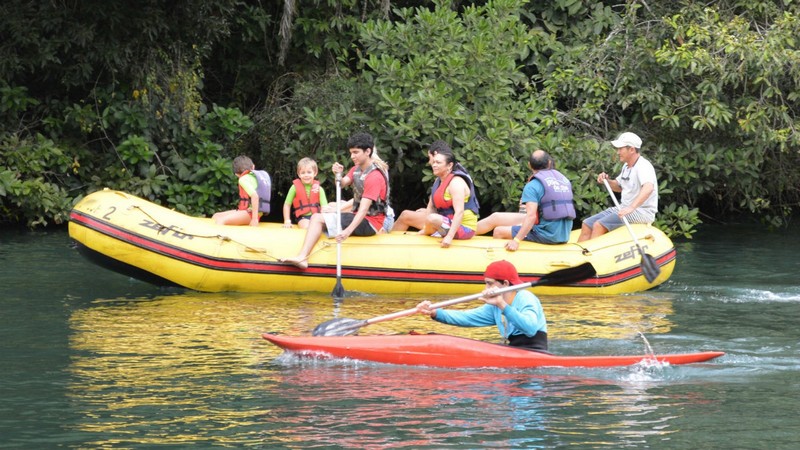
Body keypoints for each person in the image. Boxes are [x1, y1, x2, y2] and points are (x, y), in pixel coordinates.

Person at [281, 132, 389, 269]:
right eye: (351, 153)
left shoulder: (374, 176)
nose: (352, 156)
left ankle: (302, 257)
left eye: (356, 152)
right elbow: (342, 183)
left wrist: (347, 232)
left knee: (317, 217)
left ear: (368, 151)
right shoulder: (357, 169)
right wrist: (337, 174)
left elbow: (363, 210)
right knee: (327, 210)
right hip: (358, 216)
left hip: (369, 222)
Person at [415, 260, 548, 351]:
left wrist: (502, 305)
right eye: (486, 283)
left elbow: (530, 329)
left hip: (535, 351)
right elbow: (466, 318)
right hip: (513, 349)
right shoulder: (494, 306)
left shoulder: (525, 297)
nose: (486, 288)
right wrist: (435, 312)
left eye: (490, 283)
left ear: (506, 284)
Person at [476, 149, 575, 248]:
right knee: (496, 217)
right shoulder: (564, 180)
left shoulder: (533, 185)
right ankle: (463, 231)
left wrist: (516, 240)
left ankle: (502, 261)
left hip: (548, 234)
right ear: (549, 163)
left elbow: (531, 217)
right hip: (561, 232)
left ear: (529, 165)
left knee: (499, 231)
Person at [392, 141, 479, 248]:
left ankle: (430, 233)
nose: (433, 164)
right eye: (434, 162)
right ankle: (390, 243)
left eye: (438, 163)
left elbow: (459, 212)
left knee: (432, 219)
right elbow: (430, 207)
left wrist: (449, 237)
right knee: (419, 215)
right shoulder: (439, 180)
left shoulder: (456, 183)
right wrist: (425, 227)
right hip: (446, 221)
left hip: (464, 228)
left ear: (449, 165)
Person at [577, 132, 658, 242]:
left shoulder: (643, 166)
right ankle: (580, 256)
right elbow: (619, 187)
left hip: (642, 212)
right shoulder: (626, 166)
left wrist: (631, 207)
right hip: (624, 208)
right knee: (587, 223)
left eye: (621, 149)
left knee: (598, 225)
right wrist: (606, 181)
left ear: (632, 149)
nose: (618, 152)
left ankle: (593, 255)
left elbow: (648, 188)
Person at [212, 155, 272, 226]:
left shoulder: (243, 179)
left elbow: (255, 196)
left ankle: (220, 236)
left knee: (221, 220)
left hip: (251, 215)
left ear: (236, 174)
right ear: (253, 167)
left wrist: (254, 219)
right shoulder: (258, 177)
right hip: (248, 212)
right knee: (216, 216)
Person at [282, 157, 328, 229]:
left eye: (309, 172)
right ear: (299, 174)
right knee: (307, 226)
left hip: (317, 217)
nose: (306, 175)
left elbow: (325, 207)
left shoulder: (319, 189)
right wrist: (287, 221)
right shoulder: (294, 187)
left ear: (315, 173)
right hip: (303, 218)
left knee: (322, 226)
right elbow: (287, 205)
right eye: (303, 173)